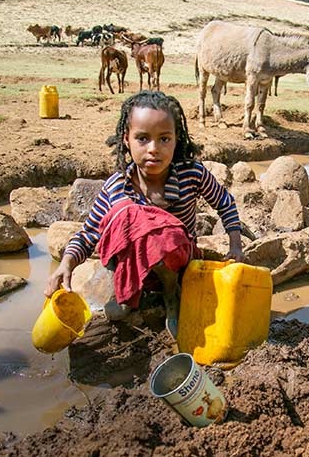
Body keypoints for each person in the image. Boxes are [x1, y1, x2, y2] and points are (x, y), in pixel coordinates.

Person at [45, 90, 245, 335]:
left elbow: (224, 201)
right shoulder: (117, 185)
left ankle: (172, 296)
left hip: (177, 261)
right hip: (132, 263)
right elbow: (88, 235)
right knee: (124, 214)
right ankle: (127, 292)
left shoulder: (191, 174)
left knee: (147, 224)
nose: (154, 149)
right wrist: (66, 264)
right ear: (126, 139)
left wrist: (235, 245)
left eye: (164, 139)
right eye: (142, 138)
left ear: (177, 139)